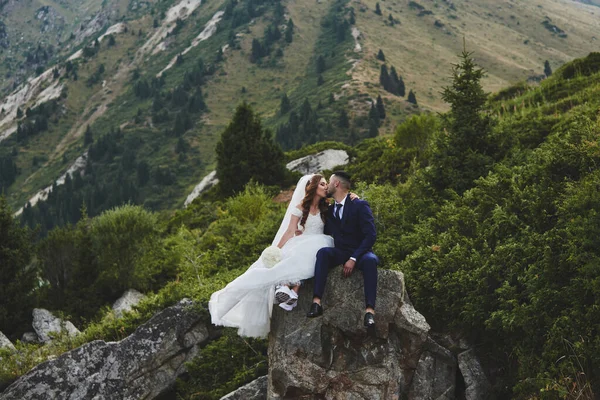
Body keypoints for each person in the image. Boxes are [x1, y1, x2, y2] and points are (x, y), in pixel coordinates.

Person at [208, 174, 334, 338]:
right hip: (301, 242)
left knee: (306, 254)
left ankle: (291, 290)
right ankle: (288, 291)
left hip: (319, 242)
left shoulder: (327, 207)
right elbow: (290, 231)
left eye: (326, 184)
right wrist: (276, 250)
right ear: (313, 187)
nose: (326, 187)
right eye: (322, 184)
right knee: (291, 256)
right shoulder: (300, 207)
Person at [306, 171, 379, 328]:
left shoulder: (359, 205)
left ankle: (369, 312)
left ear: (337, 184)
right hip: (340, 252)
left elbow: (371, 236)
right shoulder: (330, 210)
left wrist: (353, 259)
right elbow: (323, 232)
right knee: (323, 253)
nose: (328, 186)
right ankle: (316, 303)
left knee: (371, 261)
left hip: (361, 253)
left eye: (330, 182)